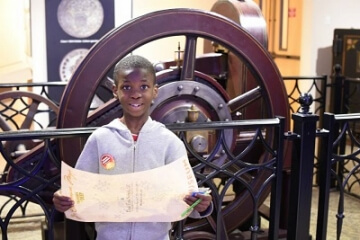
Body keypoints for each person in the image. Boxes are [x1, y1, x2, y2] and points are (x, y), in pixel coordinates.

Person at [53, 55, 213, 240]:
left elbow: (186, 201)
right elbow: (78, 192)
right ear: (115, 90)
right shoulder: (100, 139)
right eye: (127, 87)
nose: (135, 94)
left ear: (155, 91)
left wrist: (201, 206)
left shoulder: (169, 142)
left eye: (144, 87)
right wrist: (63, 199)